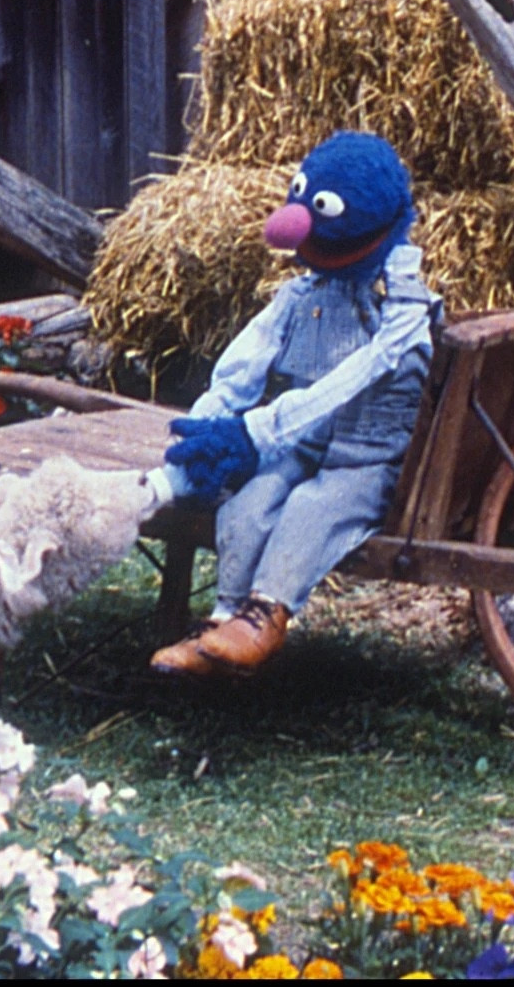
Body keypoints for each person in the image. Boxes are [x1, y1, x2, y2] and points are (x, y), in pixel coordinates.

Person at [145, 132, 441, 677]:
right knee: (253, 494)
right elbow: (244, 362)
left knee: (315, 505)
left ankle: (267, 613)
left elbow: (360, 374)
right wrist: (209, 425)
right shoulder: (301, 296)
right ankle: (224, 615)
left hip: (367, 456)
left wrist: (256, 429)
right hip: (305, 442)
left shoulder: (400, 313)